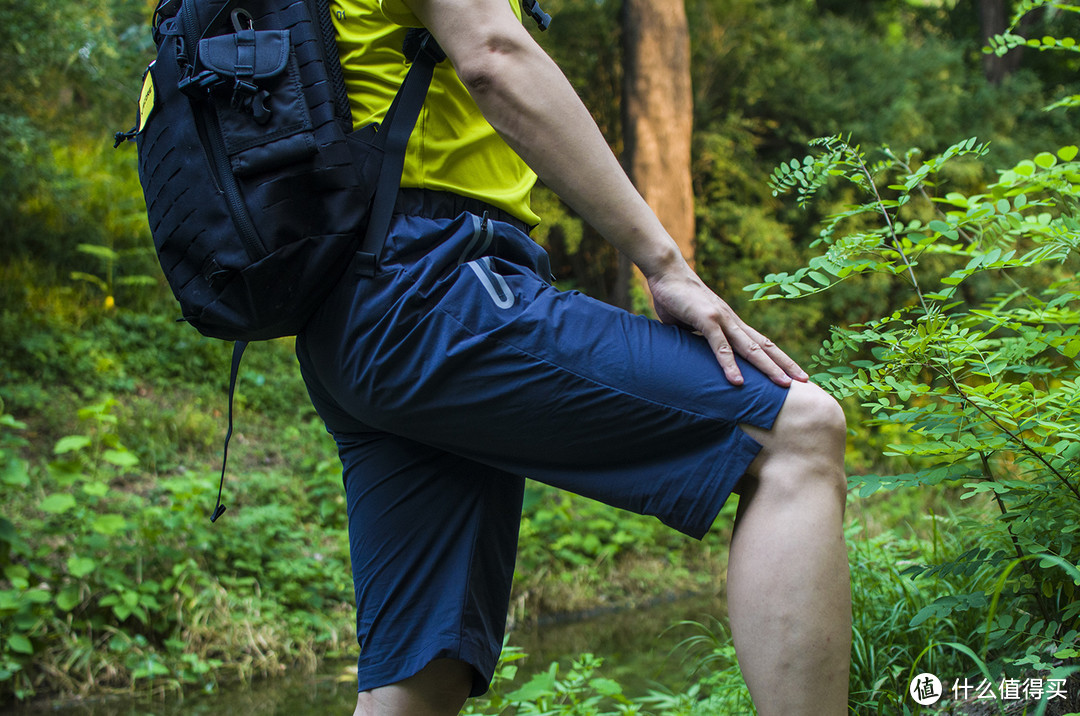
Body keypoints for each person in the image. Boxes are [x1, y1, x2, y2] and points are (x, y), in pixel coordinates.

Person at [295, 0, 853, 714]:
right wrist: (665, 263)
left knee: (418, 683)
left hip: (345, 318)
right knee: (797, 432)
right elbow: (496, 57)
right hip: (432, 288)